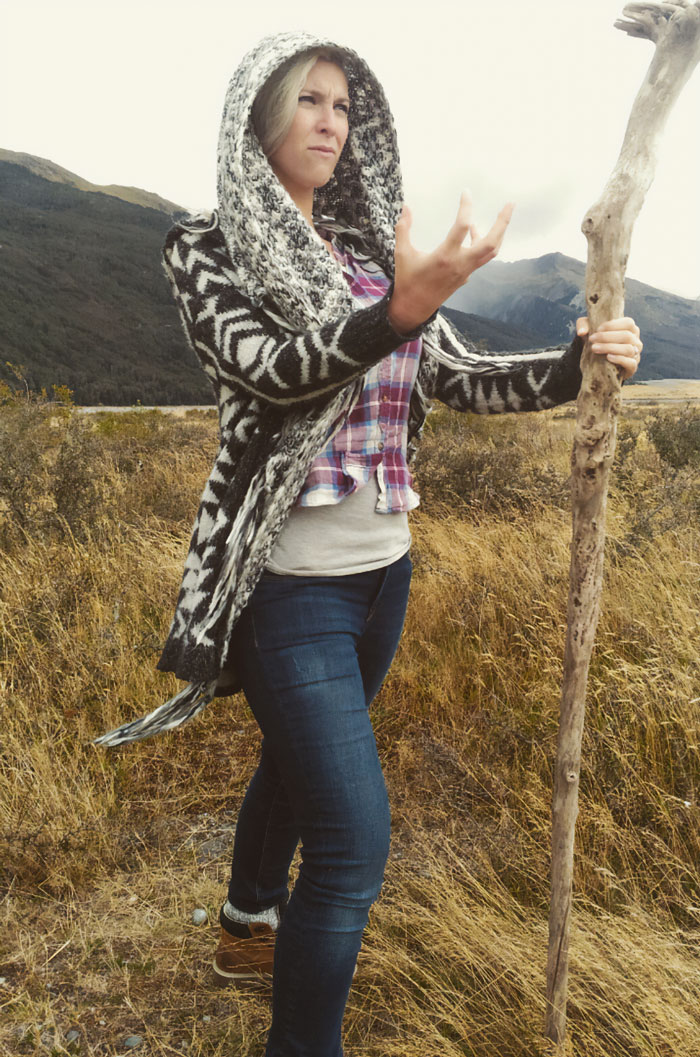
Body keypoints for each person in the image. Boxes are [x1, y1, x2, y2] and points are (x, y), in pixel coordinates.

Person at [94, 31, 642, 1057]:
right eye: (308, 100)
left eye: (345, 105)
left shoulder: (367, 259)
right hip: (286, 588)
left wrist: (578, 360)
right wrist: (400, 308)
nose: (331, 122)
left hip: (380, 577)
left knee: (297, 766)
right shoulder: (204, 247)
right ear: (257, 117)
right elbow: (274, 368)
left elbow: (463, 378)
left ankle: (247, 918)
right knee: (350, 844)